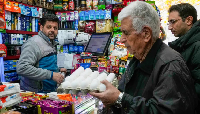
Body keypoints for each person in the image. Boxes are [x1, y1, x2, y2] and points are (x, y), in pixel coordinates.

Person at [90, 1, 197, 114]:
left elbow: (164, 111)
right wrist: (112, 100)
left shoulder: (169, 64)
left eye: (126, 33)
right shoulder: (137, 59)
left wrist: (120, 99)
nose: (121, 39)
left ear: (146, 34)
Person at [17, 14, 67, 93]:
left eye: (55, 28)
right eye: (49, 27)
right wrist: (51, 75)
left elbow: (43, 65)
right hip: (35, 94)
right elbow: (22, 68)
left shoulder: (51, 43)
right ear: (41, 28)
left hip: (48, 92)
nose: (52, 30)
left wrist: (58, 70)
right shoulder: (33, 43)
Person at [167, 3, 200, 113]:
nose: (170, 27)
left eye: (173, 21)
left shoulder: (197, 45)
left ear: (189, 20)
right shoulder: (184, 44)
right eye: (169, 22)